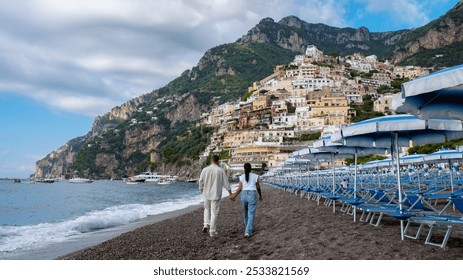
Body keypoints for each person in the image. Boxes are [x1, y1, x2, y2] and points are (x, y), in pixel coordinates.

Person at [198, 155, 232, 237]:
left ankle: (206, 224)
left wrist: (201, 189)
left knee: (206, 209)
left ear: (211, 160)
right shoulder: (220, 170)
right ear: (218, 161)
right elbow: (225, 182)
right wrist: (230, 193)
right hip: (216, 194)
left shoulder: (205, 169)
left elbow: (200, 181)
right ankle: (212, 231)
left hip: (206, 193)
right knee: (214, 213)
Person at [230, 162, 262, 238]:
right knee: (251, 214)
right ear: (251, 169)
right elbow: (258, 187)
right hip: (252, 194)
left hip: (243, 195)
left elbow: (240, 188)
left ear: (244, 169)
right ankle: (248, 231)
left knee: (246, 213)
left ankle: (247, 228)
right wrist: (260, 196)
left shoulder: (241, 177)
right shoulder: (255, 176)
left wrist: (234, 196)